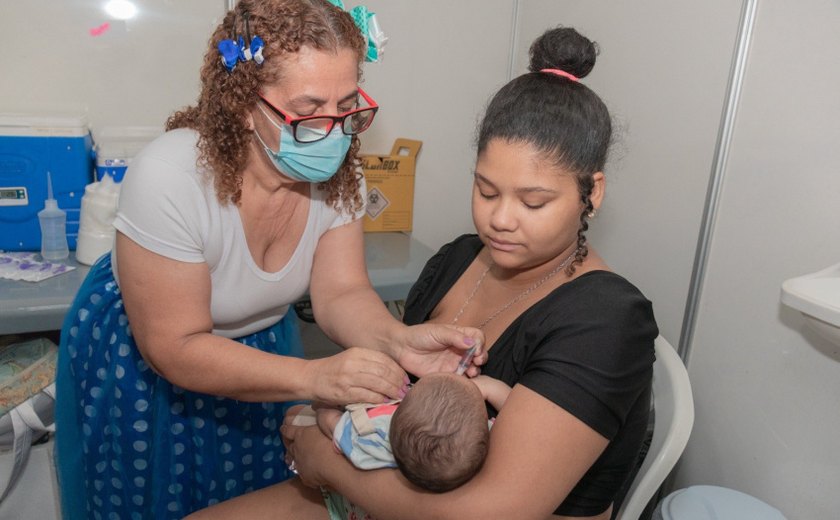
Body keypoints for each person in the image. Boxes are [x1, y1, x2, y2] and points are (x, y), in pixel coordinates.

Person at [187, 25, 659, 520]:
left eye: (533, 201)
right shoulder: (458, 259)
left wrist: (326, 462)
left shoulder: (607, 322)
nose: (500, 219)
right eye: (487, 191)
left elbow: (493, 511)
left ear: (593, 193)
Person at [53, 1, 483, 519]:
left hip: (264, 351)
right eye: (308, 112)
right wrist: (314, 377)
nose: (333, 131)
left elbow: (341, 293)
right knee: (151, 497)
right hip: (148, 367)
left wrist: (399, 342)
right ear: (242, 105)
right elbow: (177, 346)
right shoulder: (172, 179)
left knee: (251, 491)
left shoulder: (341, 177)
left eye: (348, 106)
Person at [288, 372, 510, 502]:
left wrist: (323, 407)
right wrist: (489, 388)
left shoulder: (375, 433)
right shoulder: (478, 443)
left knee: (293, 414)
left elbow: (330, 423)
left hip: (354, 505)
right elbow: (513, 409)